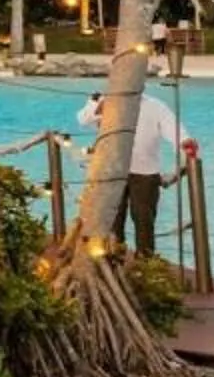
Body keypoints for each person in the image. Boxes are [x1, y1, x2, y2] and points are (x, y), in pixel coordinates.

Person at [77, 86, 186, 256]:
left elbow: (176, 132)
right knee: (113, 218)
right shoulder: (105, 102)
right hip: (112, 170)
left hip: (145, 171)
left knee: (144, 220)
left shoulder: (155, 106)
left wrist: (185, 148)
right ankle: (113, 257)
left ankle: (146, 262)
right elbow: (83, 119)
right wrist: (97, 105)